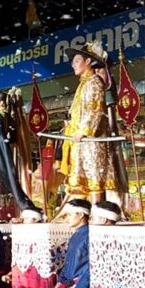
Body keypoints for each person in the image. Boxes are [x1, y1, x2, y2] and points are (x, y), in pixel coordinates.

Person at [59, 40, 123, 205]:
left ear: (88, 61)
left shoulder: (94, 81)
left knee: (94, 178)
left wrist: (83, 130)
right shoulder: (84, 84)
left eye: (77, 60)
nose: (73, 64)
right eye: (73, 62)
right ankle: (81, 212)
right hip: (80, 141)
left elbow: (93, 109)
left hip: (91, 141)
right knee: (81, 180)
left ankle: (96, 210)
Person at [0, 93, 37, 213]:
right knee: (11, 180)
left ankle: (24, 206)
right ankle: (25, 204)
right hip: (3, 150)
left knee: (7, 181)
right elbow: (10, 135)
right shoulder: (7, 117)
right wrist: (6, 141)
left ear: (2, 103)